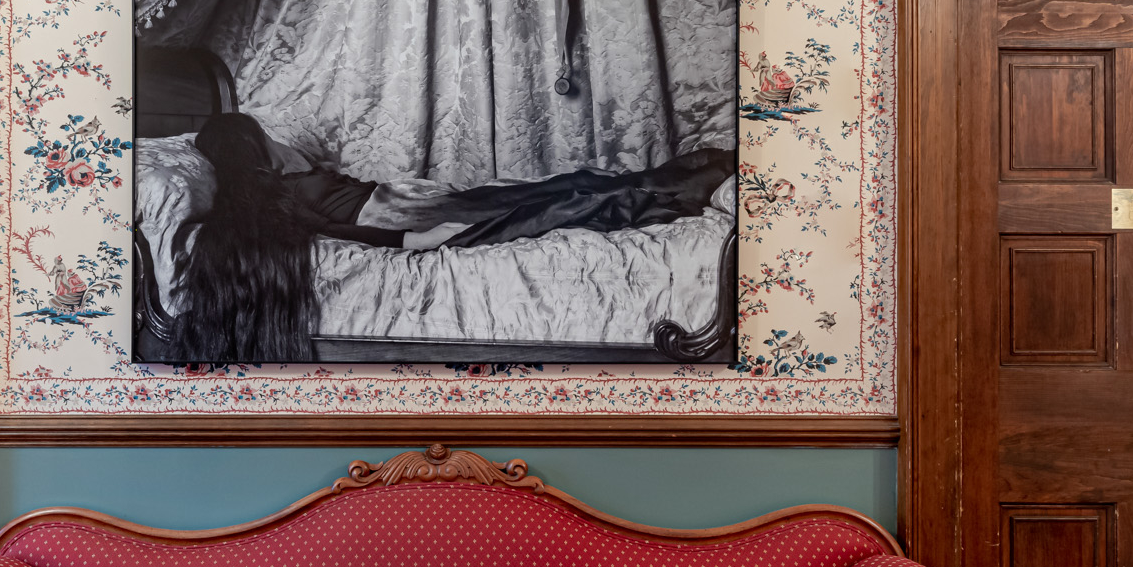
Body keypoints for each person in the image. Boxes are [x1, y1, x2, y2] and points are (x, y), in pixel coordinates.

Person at [170, 111, 734, 364]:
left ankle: (691, 173)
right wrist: (412, 245)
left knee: (574, 182)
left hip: (413, 203)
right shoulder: (276, 199)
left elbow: (299, 176)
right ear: (244, 150)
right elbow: (335, 230)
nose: (272, 142)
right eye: (257, 137)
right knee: (571, 201)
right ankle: (687, 188)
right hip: (409, 220)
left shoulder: (282, 175)